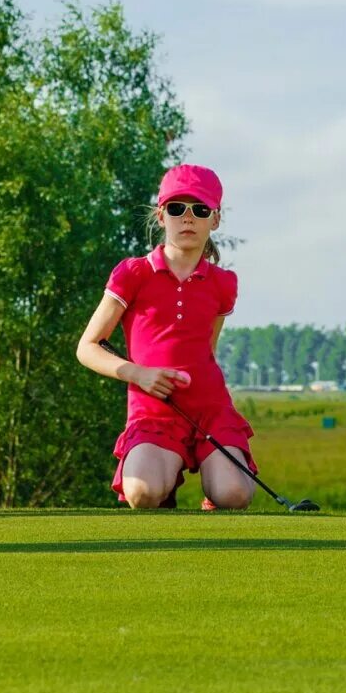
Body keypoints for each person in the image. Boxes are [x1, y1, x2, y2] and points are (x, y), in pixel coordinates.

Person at [76, 164, 255, 510]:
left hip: (210, 412)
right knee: (143, 493)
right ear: (161, 216)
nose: (187, 218)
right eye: (177, 208)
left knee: (233, 494)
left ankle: (213, 491)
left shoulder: (223, 283)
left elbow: (209, 350)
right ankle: (165, 485)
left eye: (200, 210)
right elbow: (87, 347)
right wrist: (137, 374)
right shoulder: (133, 273)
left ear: (214, 220)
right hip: (153, 411)